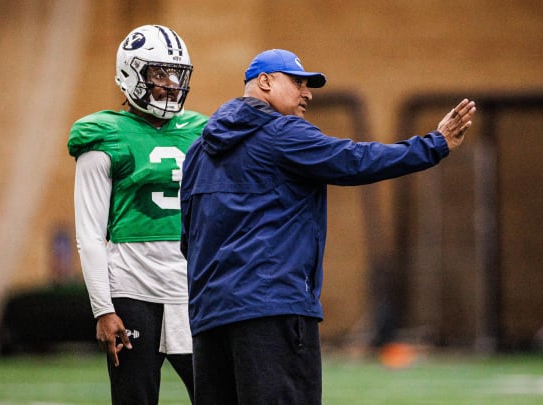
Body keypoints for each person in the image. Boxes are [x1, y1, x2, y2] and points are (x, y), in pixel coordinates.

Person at [180, 48, 475, 404]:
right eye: (298, 82)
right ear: (265, 81)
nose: (307, 93)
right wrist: (434, 144)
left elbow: (188, 236)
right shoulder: (284, 133)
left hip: (209, 317)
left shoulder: (198, 149)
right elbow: (355, 161)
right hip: (272, 312)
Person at [67, 24, 207, 404]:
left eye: (176, 74)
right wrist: (103, 309)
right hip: (132, 289)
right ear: (131, 73)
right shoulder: (105, 135)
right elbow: (90, 233)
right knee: (135, 399)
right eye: (159, 73)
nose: (171, 84)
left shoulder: (200, 130)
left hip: (190, 288)